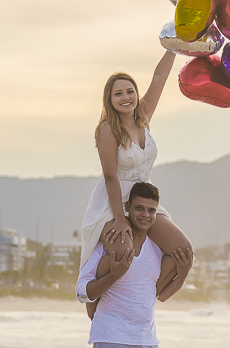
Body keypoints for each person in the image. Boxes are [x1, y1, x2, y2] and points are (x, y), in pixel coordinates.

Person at [79, 51, 194, 312]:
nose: (125, 97)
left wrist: (173, 47)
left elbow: (160, 77)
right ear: (109, 99)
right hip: (114, 201)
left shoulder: (143, 116)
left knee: (182, 249)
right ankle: (95, 307)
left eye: (129, 91)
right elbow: (110, 176)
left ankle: (143, 298)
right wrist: (120, 218)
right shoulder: (108, 128)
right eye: (118, 93)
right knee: (124, 252)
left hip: (143, 199)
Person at [77, 182, 193, 347]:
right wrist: (114, 275)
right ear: (127, 207)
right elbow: (82, 293)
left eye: (151, 210)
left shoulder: (157, 251)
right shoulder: (107, 248)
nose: (145, 215)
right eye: (139, 208)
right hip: (111, 338)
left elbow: (161, 297)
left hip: (147, 341)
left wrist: (182, 275)